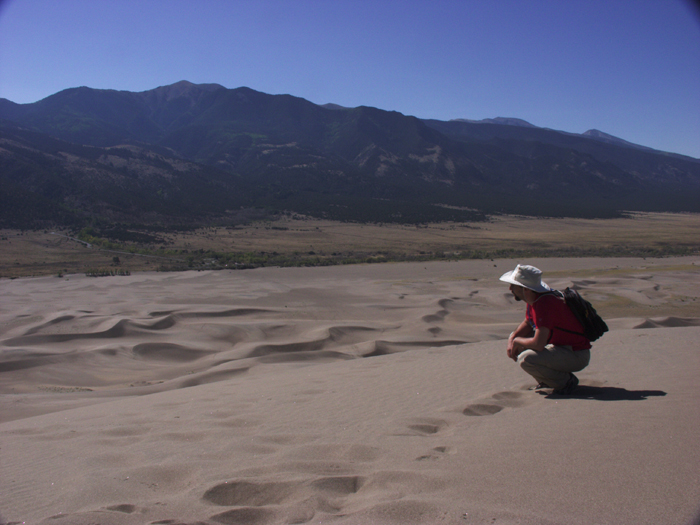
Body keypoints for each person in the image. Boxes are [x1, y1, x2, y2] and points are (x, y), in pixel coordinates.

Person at [499, 264, 591, 395]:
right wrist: (512, 338)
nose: (510, 288)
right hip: (563, 349)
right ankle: (548, 380)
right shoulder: (536, 299)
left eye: (513, 285)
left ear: (524, 289)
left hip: (575, 355)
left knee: (526, 359)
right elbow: (528, 322)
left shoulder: (544, 304)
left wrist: (518, 341)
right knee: (521, 341)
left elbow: (538, 344)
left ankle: (565, 382)